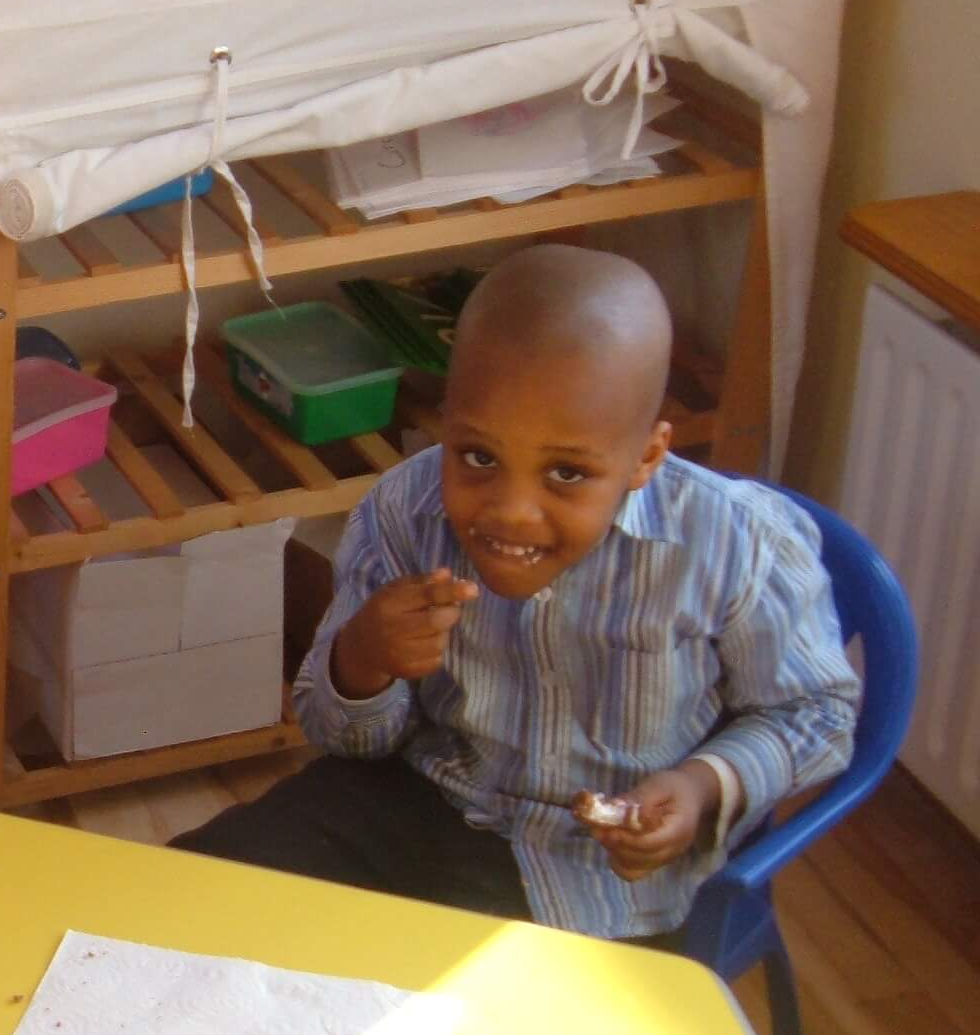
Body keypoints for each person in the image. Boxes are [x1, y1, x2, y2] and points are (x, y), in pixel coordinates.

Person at [173, 244, 859, 942]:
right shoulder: (404, 512)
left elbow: (817, 713)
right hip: (419, 801)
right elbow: (342, 737)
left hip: (600, 874)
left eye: (566, 474)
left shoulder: (737, 545)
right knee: (186, 899)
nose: (511, 512)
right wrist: (364, 659)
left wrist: (702, 785)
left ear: (647, 457)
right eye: (478, 457)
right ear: (447, 420)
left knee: (424, 998)